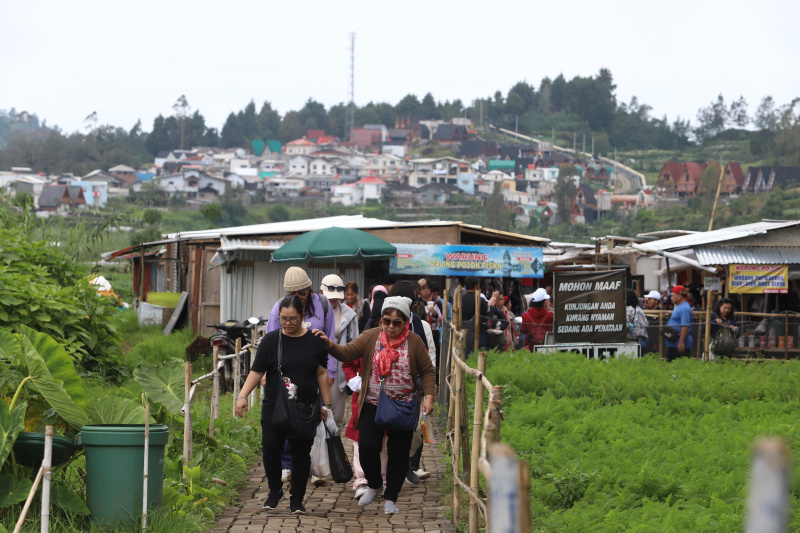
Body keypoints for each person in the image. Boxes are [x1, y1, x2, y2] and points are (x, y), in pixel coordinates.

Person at [314, 296, 436, 515]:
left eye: (396, 322)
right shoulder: (371, 337)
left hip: (404, 406)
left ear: (406, 322)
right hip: (373, 403)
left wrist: (428, 397)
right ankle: (374, 483)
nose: (390, 326)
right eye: (386, 320)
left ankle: (391, 497)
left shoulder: (415, 342)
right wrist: (329, 344)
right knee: (368, 447)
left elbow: (427, 371)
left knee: (398, 453)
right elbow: (347, 353)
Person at [236, 296, 332, 515]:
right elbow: (256, 371)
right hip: (274, 405)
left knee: (300, 455)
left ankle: (297, 499)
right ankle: (274, 491)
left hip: (305, 407)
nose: (288, 323)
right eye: (283, 319)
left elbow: (322, 372)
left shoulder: (315, 341)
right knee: (270, 450)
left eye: (293, 319)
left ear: (303, 317)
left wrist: (326, 404)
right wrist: (242, 396)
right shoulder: (270, 340)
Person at [266, 267, 335, 484]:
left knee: (312, 417)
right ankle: (287, 465)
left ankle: (313, 463)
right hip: (286, 374)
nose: (299, 299)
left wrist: (330, 370)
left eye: (302, 294)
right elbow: (270, 340)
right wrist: (268, 374)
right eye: (293, 295)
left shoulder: (323, 305)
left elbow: (330, 339)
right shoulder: (280, 307)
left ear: (309, 289)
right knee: (287, 418)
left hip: (313, 371)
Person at [389, 280, 436, 485]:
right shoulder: (382, 324)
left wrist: (429, 387)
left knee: (416, 428)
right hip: (388, 384)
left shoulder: (421, 325)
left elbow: (430, 356)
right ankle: (389, 468)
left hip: (414, 384)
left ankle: (410, 464)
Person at [320, 274, 359, 435]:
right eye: (330, 297)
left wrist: (354, 371)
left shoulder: (349, 315)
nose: (333, 300)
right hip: (316, 364)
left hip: (339, 366)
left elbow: (355, 342)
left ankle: (333, 452)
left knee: (335, 414)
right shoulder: (311, 311)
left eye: (336, 297)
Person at [461, 275, 488, 354]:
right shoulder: (480, 300)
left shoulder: (460, 299)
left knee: (463, 355)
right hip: (477, 333)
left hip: (461, 332)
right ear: (476, 286)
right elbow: (484, 318)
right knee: (477, 356)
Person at [666, 285, 693, 362]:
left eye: (672, 295)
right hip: (674, 342)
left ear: (679, 296)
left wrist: (681, 343)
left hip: (678, 344)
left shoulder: (684, 308)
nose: (671, 298)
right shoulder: (679, 306)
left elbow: (685, 326)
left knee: (678, 367)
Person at [625, 289, 648, 353]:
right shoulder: (639, 309)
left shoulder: (626, 310)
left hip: (632, 341)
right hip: (643, 341)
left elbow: (626, 326)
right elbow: (646, 324)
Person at [642, 290, 662, 355]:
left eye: (650, 299)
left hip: (655, 343)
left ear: (656, 301)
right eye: (648, 299)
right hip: (647, 340)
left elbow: (659, 330)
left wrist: (656, 343)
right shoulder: (648, 311)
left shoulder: (660, 313)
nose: (648, 301)